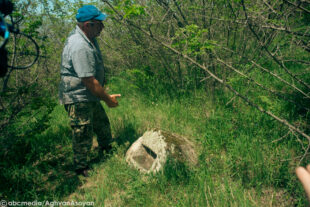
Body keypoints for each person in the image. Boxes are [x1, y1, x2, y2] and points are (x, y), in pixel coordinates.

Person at [59, 5, 121, 177]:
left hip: (89, 95)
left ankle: (107, 150)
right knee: (83, 131)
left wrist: (104, 93)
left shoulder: (90, 39)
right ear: (87, 25)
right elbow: (88, 80)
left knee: (101, 123)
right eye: (99, 24)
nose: (102, 27)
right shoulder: (80, 45)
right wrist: (108, 99)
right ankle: (81, 167)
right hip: (78, 96)